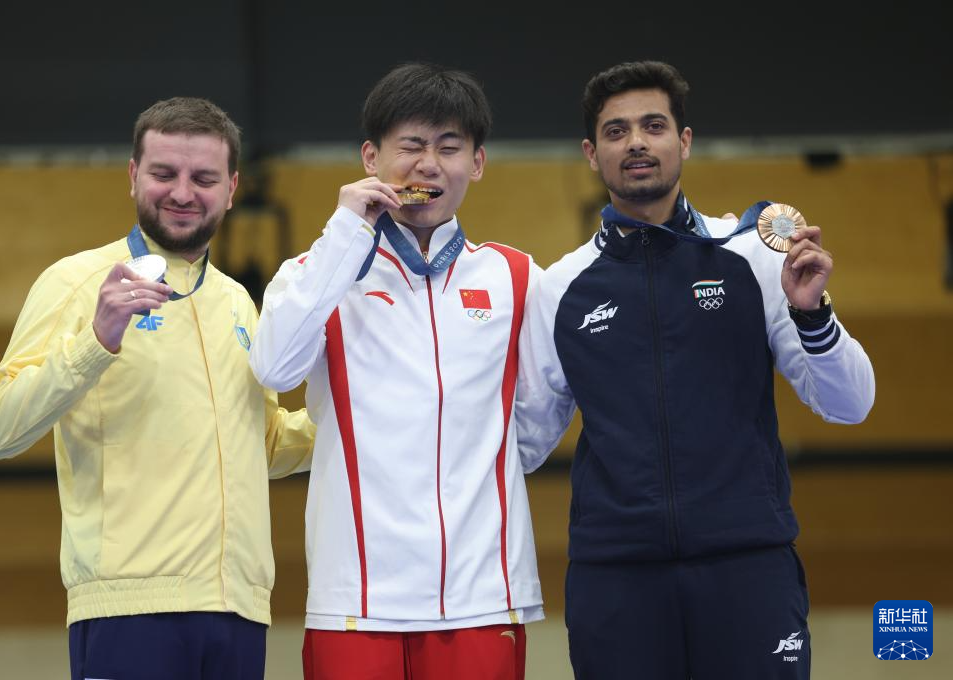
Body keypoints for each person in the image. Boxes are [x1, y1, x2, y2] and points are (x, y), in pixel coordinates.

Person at [516, 61, 876, 679]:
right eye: (616, 131)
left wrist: (812, 314)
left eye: (653, 126)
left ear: (684, 141)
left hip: (747, 567)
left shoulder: (754, 258)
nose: (636, 142)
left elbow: (851, 404)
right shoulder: (560, 288)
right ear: (591, 154)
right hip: (617, 578)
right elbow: (523, 443)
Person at [0, 97, 315, 680]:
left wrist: (355, 415)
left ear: (231, 189)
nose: (182, 193)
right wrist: (96, 340)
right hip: (128, 609)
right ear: (134, 175)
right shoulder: (77, 281)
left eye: (203, 178)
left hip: (240, 608)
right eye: (164, 173)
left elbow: (261, 444)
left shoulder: (238, 302)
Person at [249, 63, 543, 680]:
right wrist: (345, 234)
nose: (427, 165)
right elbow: (273, 368)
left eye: (449, 148)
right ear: (371, 159)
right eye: (410, 146)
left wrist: (476, 469)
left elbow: (538, 425)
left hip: (482, 593)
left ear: (478, 163)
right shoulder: (315, 273)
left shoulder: (516, 277)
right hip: (355, 597)